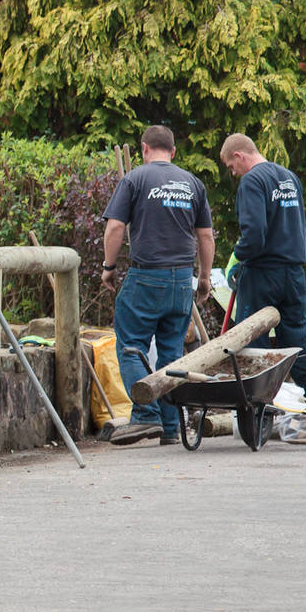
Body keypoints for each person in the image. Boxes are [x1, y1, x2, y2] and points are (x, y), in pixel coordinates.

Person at [101, 126, 215, 444]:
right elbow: (205, 235)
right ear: (174, 152)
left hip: (146, 276)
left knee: (130, 345)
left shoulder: (135, 179)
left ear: (144, 148)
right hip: (181, 280)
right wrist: (203, 278)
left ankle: (146, 414)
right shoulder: (193, 183)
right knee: (171, 355)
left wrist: (108, 268)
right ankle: (170, 427)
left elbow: (114, 228)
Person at [218, 132, 306, 401]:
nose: (234, 173)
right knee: (294, 336)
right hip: (293, 272)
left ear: (239, 155)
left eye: (232, 166)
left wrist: (238, 259)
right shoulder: (289, 177)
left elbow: (253, 234)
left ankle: (258, 408)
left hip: (262, 273)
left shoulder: (252, 181)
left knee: (254, 340)